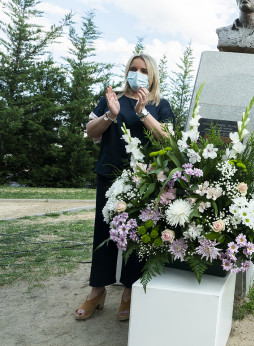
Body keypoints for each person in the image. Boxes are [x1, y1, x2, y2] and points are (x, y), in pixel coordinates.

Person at [78, 54, 175, 321]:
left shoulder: (160, 105)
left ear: (152, 75)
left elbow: (167, 138)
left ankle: (130, 291)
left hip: (143, 181)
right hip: (109, 175)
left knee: (139, 236)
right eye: (133, 68)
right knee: (104, 233)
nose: (137, 73)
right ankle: (97, 291)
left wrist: (143, 113)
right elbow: (90, 131)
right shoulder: (112, 98)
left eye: (143, 70)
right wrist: (110, 114)